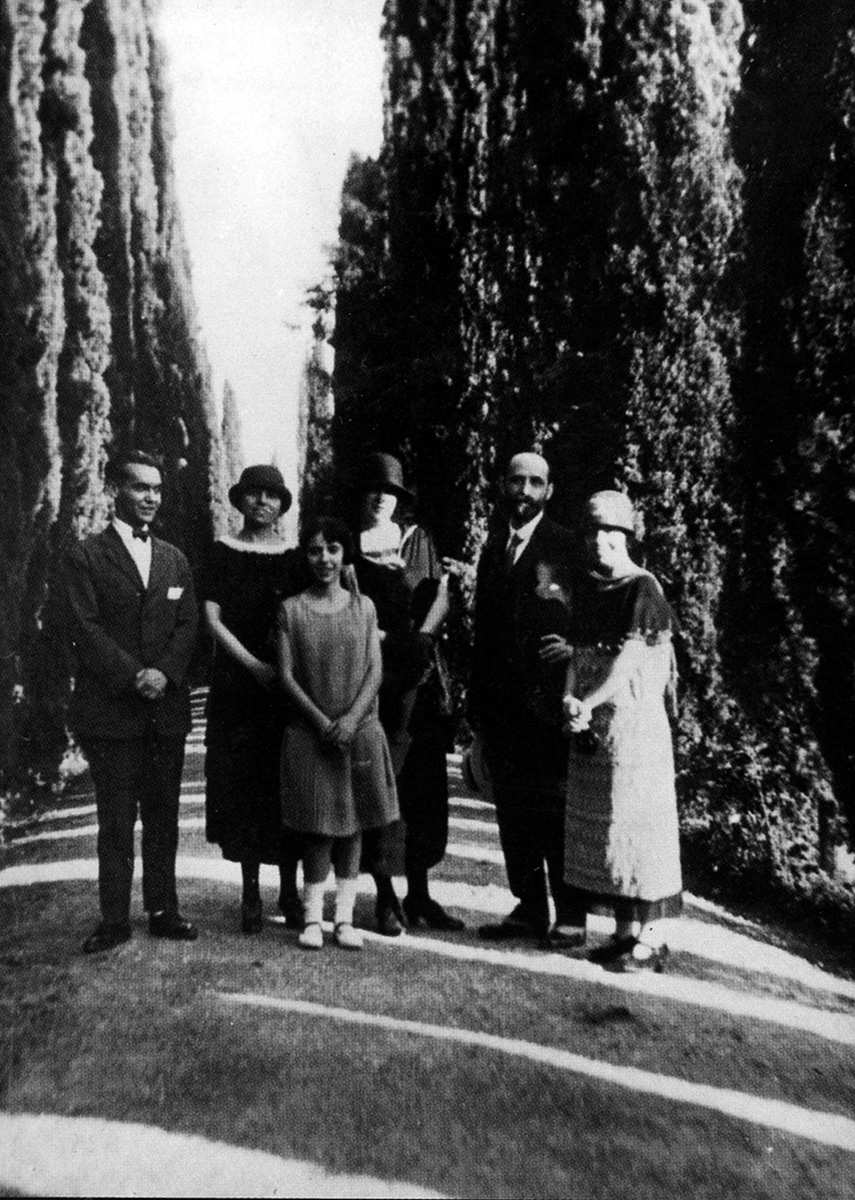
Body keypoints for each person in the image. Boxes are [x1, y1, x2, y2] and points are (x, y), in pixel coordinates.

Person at [64, 450, 199, 953]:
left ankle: (164, 908)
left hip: (165, 712)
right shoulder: (86, 557)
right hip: (111, 713)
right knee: (116, 820)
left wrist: (164, 672)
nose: (151, 498)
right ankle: (114, 919)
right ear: (115, 489)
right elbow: (84, 627)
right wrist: (131, 675)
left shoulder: (174, 558)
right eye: (141, 487)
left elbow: (188, 624)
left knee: (163, 816)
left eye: (157, 490)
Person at [561, 491, 681, 971]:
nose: (599, 542)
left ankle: (652, 939)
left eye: (610, 532)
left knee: (640, 828)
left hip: (634, 727)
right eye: (591, 532)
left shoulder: (643, 588)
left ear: (627, 536)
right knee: (609, 828)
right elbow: (577, 653)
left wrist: (585, 703)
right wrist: (569, 699)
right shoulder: (590, 589)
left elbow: (628, 663)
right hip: (595, 725)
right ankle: (623, 933)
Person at [353, 452, 464, 936]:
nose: (382, 498)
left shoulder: (419, 541)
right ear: (362, 495)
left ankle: (420, 895)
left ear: (400, 499)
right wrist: (386, 639)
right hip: (373, 679)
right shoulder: (348, 545)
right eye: (374, 489)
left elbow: (440, 595)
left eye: (391, 492)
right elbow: (348, 605)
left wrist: (422, 638)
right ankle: (385, 897)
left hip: (419, 680)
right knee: (380, 784)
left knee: (423, 787)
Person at [471, 451, 579, 944]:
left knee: (553, 809)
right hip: (503, 706)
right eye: (517, 480)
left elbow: (601, 611)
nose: (525, 490)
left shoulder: (568, 546)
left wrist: (578, 648)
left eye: (536, 481)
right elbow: (482, 634)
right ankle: (529, 906)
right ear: (503, 486)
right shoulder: (494, 550)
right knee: (512, 807)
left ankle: (570, 916)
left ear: (549, 490)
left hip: (550, 704)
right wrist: (476, 716)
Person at [276, 517, 399, 951]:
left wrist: (350, 720)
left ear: (345, 555)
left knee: (353, 827)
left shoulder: (363, 607)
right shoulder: (291, 609)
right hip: (312, 735)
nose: (324, 558)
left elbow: (375, 670)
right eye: (314, 550)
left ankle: (344, 919)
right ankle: (312, 919)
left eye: (332, 549)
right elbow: (287, 676)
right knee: (318, 828)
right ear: (305, 557)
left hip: (358, 730)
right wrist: (322, 721)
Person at [203, 464, 304, 934]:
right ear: (240, 500)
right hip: (239, 691)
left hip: (285, 691)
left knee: (286, 786)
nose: (262, 501)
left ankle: (289, 891)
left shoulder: (296, 556)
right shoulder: (223, 552)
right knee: (244, 789)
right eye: (253, 493)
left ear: (282, 504)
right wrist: (253, 666)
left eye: (271, 495)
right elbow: (213, 618)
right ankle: (249, 894)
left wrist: (282, 672)